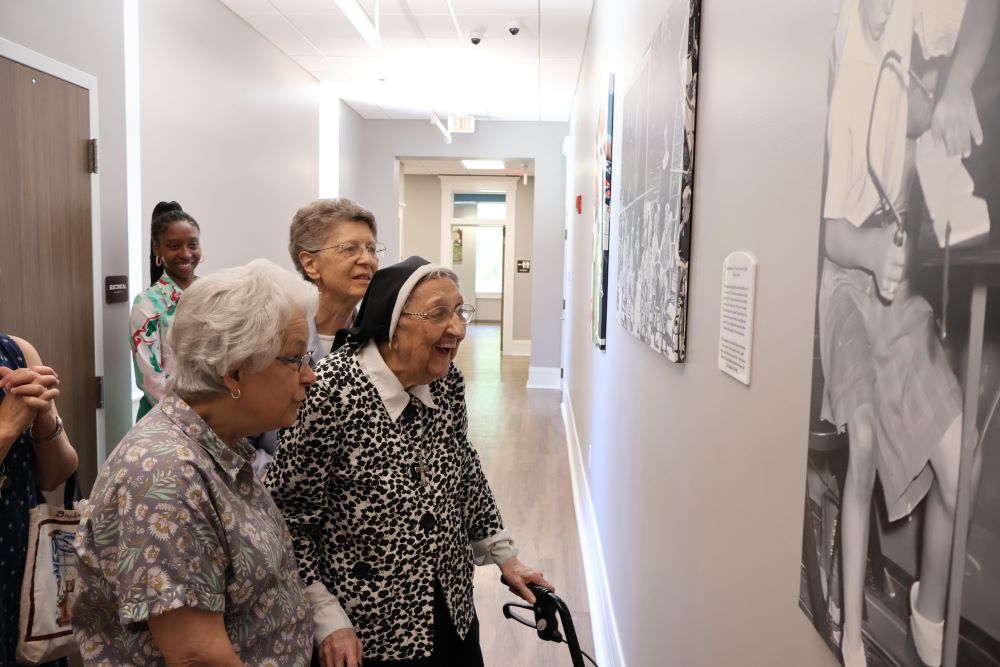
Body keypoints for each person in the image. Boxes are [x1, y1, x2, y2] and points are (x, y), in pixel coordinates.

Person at [820, 0, 996, 665]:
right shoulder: (834, 38)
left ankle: (927, 607)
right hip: (842, 279)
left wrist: (952, 89)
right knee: (861, 433)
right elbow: (830, 232)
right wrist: (868, 254)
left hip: (892, 287)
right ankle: (849, 630)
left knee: (965, 462)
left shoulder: (909, 31)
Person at [267, 257, 552, 667]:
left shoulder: (446, 379)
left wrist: (505, 556)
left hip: (449, 603)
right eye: (439, 313)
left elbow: (463, 467)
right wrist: (326, 617)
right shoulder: (329, 391)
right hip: (366, 627)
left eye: (460, 311)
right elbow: (289, 514)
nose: (457, 328)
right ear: (392, 325)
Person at [73, 259, 317, 666]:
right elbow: (197, 655)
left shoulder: (218, 446)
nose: (309, 376)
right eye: (295, 359)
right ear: (235, 372)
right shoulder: (164, 474)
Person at [252, 198, 383, 477]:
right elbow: (236, 436)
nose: (368, 259)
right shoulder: (269, 337)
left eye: (372, 249)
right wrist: (285, 480)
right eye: (350, 249)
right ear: (310, 264)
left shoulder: (380, 342)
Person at [0, 334, 78, 666]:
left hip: (24, 573)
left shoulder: (17, 351)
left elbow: (54, 475)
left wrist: (43, 419)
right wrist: (6, 427)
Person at [129, 201, 203, 421]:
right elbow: (151, 381)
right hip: (164, 420)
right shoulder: (147, 305)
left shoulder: (211, 295)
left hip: (210, 416)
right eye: (174, 246)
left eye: (192, 244)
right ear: (157, 250)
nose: (185, 253)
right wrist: (191, 420)